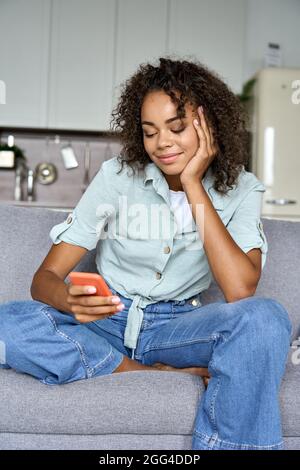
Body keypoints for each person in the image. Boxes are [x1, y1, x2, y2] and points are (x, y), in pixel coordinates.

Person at [0, 57, 292, 450]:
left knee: (265, 318)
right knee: (8, 320)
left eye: (177, 128)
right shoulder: (117, 177)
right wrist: (66, 299)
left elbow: (241, 289)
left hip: (176, 328)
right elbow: (43, 280)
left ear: (210, 125)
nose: (162, 143)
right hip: (109, 320)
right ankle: (146, 372)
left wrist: (192, 184)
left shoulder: (242, 190)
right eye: (150, 131)